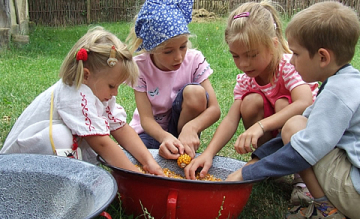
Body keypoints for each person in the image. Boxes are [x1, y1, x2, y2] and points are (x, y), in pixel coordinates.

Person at [224, 1, 360, 219]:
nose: (292, 60)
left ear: (323, 57)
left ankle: (327, 212)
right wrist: (255, 160)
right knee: (297, 127)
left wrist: (247, 173)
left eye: (296, 53)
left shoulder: (336, 93)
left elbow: (303, 149)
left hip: (354, 195)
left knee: (295, 127)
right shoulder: (347, 81)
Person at [184, 0, 318, 204]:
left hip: (306, 136)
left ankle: (302, 179)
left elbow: (304, 101)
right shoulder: (246, 80)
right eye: (236, 56)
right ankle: (269, 165)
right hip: (275, 137)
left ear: (273, 44)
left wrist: (260, 126)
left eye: (251, 55)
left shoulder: (289, 66)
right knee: (250, 102)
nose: (243, 63)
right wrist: (209, 154)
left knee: (284, 104)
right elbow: (231, 120)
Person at [1, 26, 164, 176]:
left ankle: (74, 177)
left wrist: (149, 161)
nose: (115, 93)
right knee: (60, 136)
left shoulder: (98, 92)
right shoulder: (73, 93)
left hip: (47, 160)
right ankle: (65, 185)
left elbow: (121, 129)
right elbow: (102, 144)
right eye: (112, 86)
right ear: (86, 75)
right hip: (17, 165)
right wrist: (135, 175)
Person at [126, 0, 221, 160]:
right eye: (168, 51)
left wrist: (190, 128)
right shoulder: (140, 67)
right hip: (152, 134)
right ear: (151, 49)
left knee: (196, 92)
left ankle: (183, 146)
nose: (178, 57)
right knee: (136, 159)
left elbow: (214, 110)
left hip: (182, 130)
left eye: (183, 47)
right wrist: (164, 138)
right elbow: (146, 119)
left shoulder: (194, 60)